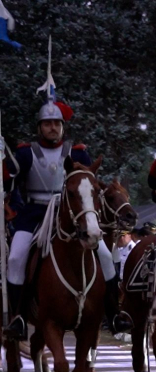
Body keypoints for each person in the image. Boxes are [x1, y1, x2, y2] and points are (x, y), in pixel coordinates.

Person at [1, 100, 131, 338]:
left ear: (63, 126)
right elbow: (8, 179)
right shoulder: (25, 152)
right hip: (35, 214)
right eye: (47, 123)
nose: (52, 128)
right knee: (17, 255)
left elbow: (87, 182)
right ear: (40, 127)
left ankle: (113, 314)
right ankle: (17, 317)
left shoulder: (78, 152)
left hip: (71, 213)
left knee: (103, 253)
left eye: (56, 124)